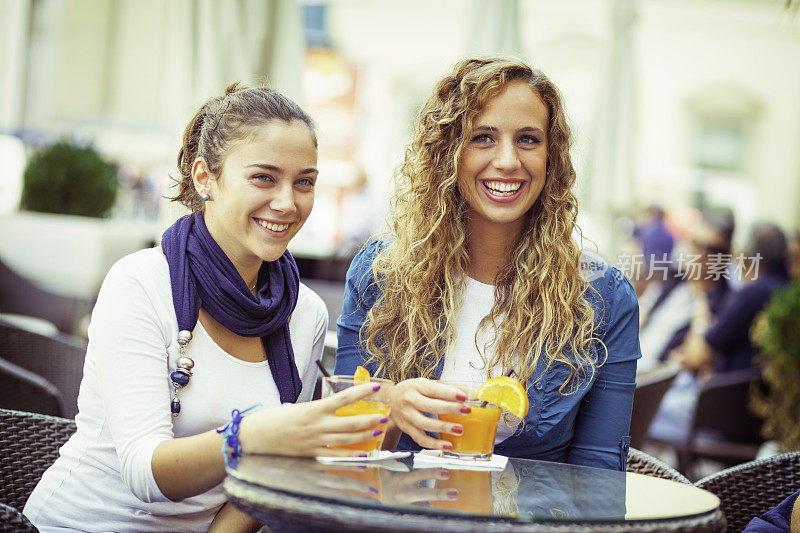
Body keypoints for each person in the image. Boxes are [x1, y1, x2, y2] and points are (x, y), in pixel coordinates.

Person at [23, 85, 386, 533]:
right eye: (264, 177)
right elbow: (145, 473)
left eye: (304, 182)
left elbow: (267, 476)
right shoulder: (140, 283)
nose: (288, 202)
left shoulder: (304, 312)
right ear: (204, 178)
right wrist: (252, 436)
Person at [336, 57, 641, 471]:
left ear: (552, 158)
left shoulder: (603, 297)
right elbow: (344, 448)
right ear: (448, 153)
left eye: (529, 139)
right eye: (483, 137)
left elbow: (599, 474)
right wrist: (388, 404)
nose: (508, 161)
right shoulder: (381, 273)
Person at [648, 221, 790, 443]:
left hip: (723, 418)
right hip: (750, 417)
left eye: (713, 250)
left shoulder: (748, 295)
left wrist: (700, 307)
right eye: (696, 244)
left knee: (637, 410)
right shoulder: (787, 293)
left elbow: (696, 357)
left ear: (742, 256)